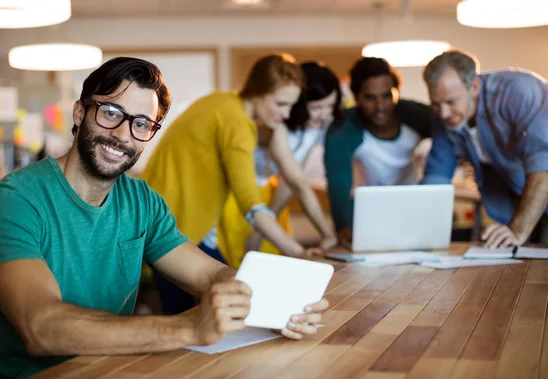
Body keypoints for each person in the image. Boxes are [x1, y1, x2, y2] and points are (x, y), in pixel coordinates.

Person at [0, 57, 328, 379]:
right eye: (111, 113)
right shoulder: (13, 201)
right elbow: (41, 327)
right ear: (80, 112)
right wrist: (187, 328)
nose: (123, 135)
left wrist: (278, 307)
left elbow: (211, 275)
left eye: (141, 124)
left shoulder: (141, 200)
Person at [140, 53, 321, 314]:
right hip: (172, 229)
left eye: (290, 106)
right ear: (258, 92)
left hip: (172, 222)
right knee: (203, 312)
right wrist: (297, 252)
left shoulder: (221, 102)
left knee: (211, 306)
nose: (286, 114)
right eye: (280, 104)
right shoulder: (237, 123)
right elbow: (252, 206)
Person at [215, 61, 343, 268]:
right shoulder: (277, 126)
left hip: (268, 197)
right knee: (240, 266)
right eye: (317, 107)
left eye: (330, 106)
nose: (325, 114)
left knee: (276, 262)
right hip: (239, 197)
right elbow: (297, 182)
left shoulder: (314, 129)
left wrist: (267, 223)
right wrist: (327, 233)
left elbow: (290, 181)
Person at [421, 49, 548, 249]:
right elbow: (436, 179)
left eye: (451, 102)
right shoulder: (444, 121)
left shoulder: (518, 92)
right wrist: (418, 235)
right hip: (518, 204)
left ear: (474, 87)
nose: (443, 113)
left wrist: (517, 230)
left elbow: (544, 165)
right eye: (436, 104)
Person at [325, 57, 435, 248]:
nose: (380, 107)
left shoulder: (418, 115)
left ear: (397, 92)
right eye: (370, 98)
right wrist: (344, 225)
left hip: (413, 204)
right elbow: (338, 181)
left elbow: (450, 140)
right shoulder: (344, 127)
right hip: (370, 210)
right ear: (356, 96)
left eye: (387, 96)